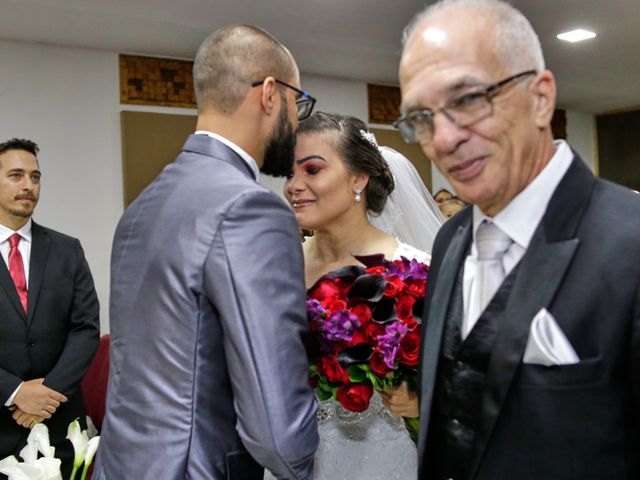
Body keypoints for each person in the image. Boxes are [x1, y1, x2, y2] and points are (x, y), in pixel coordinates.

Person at [397, 0, 640, 479]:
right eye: (421, 117)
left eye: (467, 100)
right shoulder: (450, 240)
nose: (443, 139)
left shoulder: (630, 240)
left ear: (541, 97)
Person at [94, 25, 318, 480]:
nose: (297, 122)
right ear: (270, 94)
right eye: (300, 103)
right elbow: (277, 430)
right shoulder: (250, 208)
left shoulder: (142, 206)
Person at [272, 112, 440, 480]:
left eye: (312, 171)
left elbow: (465, 379)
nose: (293, 186)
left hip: (378, 461)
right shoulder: (274, 268)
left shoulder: (412, 271)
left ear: (359, 178)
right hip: (288, 459)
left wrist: (423, 400)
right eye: (289, 174)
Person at [0, 138, 100, 477]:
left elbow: (85, 329)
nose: (28, 185)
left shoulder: (67, 250)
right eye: (16, 175)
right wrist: (14, 392)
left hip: (60, 428)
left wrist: (49, 392)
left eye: (35, 176)